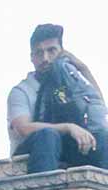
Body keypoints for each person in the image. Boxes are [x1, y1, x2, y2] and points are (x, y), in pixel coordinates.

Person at [9, 22, 108, 173]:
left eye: (51, 51)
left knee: (103, 137)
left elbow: (97, 107)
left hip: (67, 150)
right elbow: (24, 128)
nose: (45, 58)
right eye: (39, 53)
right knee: (48, 135)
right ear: (32, 57)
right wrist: (69, 127)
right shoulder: (22, 90)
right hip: (35, 152)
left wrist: (82, 68)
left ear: (62, 52)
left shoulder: (69, 83)